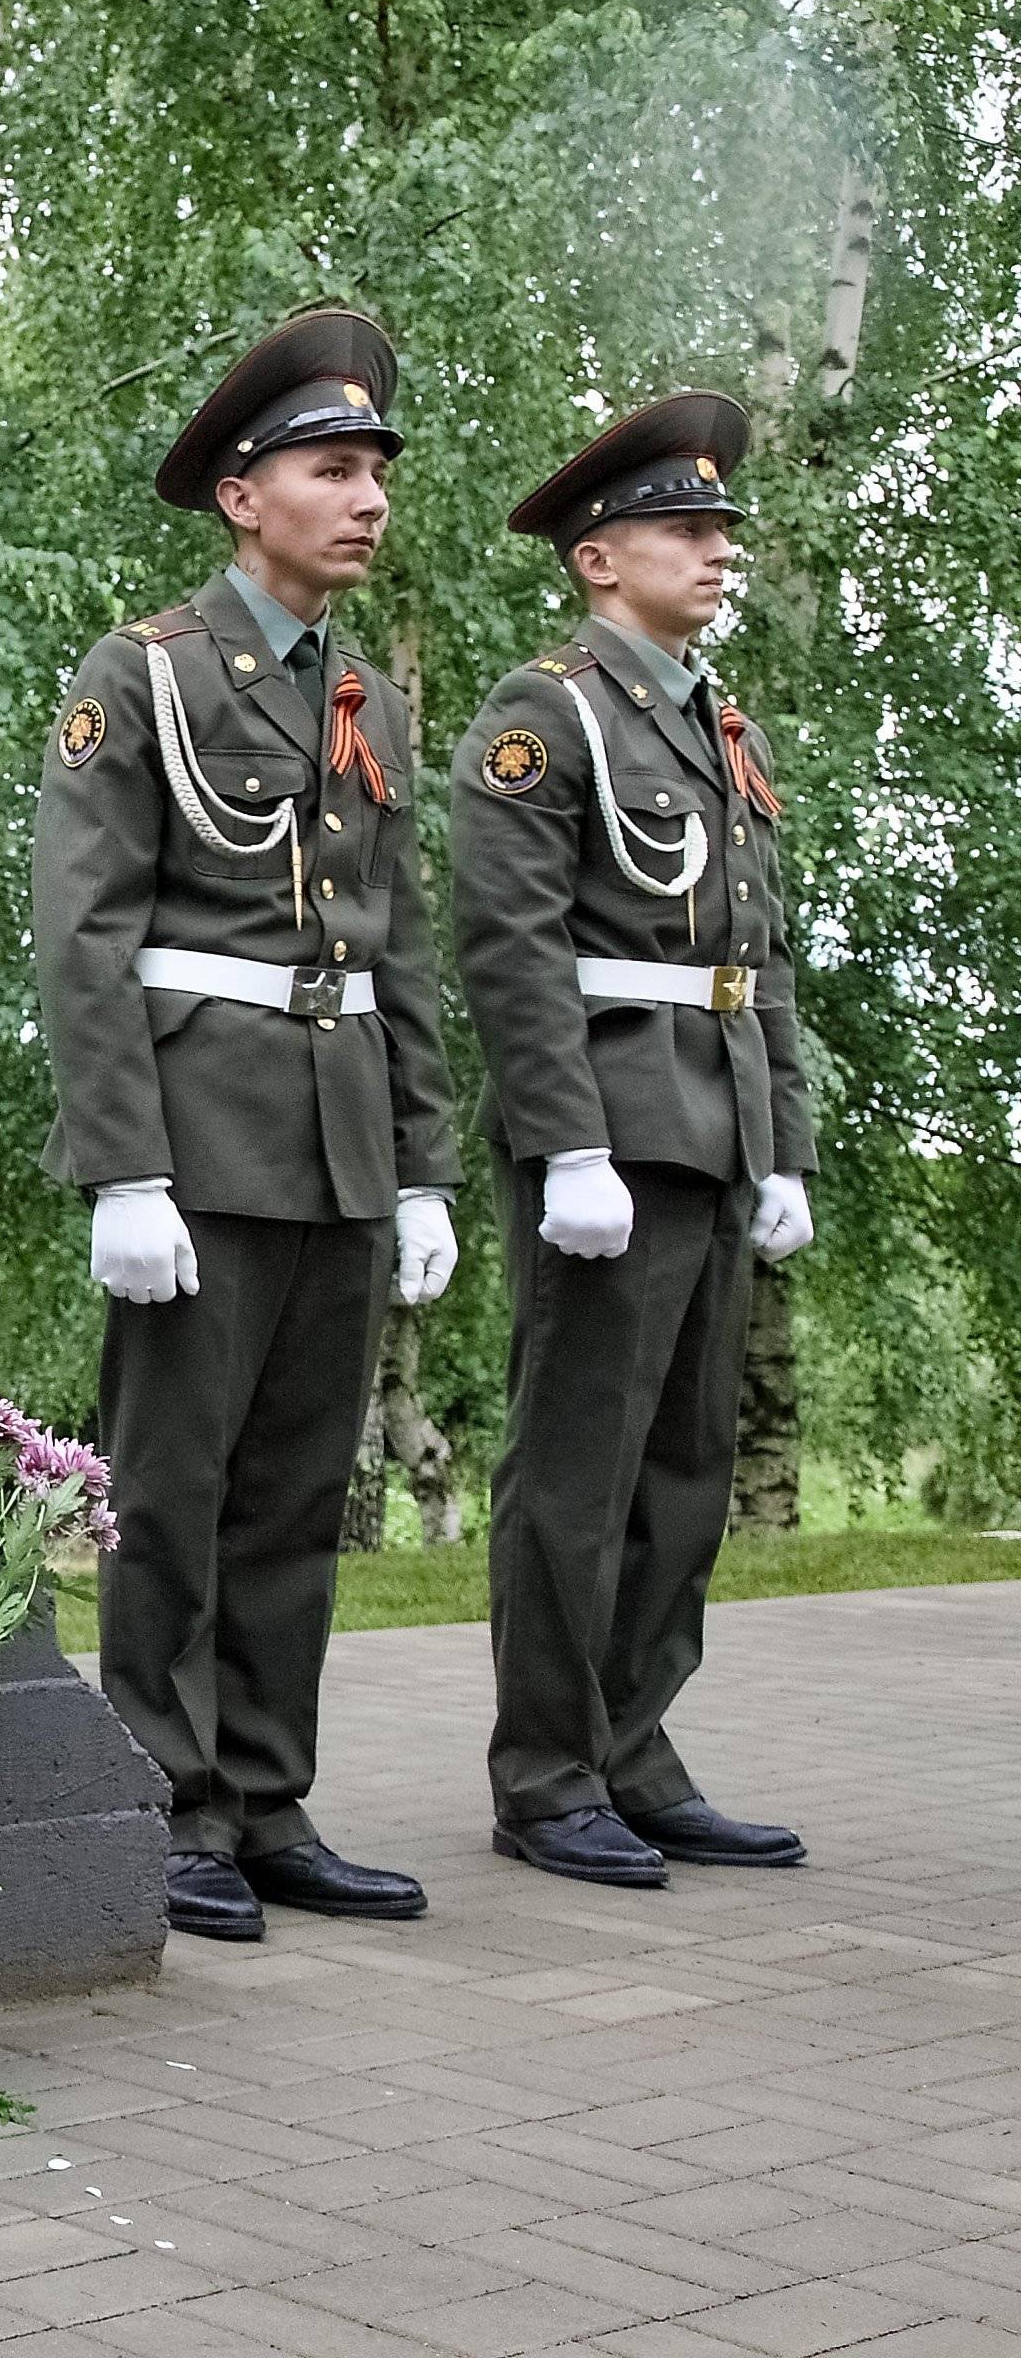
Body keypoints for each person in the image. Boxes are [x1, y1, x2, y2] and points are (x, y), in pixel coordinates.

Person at [33, 308, 460, 1946]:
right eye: (330, 470)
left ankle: (266, 1799)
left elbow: (395, 953)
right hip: (196, 1135)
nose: (367, 499)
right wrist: (121, 1169)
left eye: (374, 473)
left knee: (293, 1491)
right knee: (174, 1487)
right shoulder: (139, 674)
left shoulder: (367, 701)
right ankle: (163, 1797)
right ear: (240, 495)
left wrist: (421, 1168)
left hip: (338, 1136)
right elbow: (82, 937)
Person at [453, 393, 811, 1889]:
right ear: (599, 558)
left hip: (716, 1118)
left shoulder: (716, 724)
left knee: (683, 1471)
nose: (717, 551)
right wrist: (566, 1146)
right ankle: (547, 1775)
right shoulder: (548, 715)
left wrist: (784, 1145)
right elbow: (512, 948)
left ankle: (633, 1748)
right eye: (685, 529)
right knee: (579, 1469)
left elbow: (760, 955)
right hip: (611, 1126)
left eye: (723, 530)